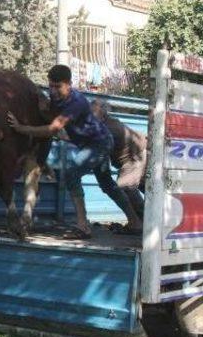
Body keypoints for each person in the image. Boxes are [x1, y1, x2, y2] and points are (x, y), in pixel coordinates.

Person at [7, 65, 142, 239]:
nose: (53, 91)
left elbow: (52, 128)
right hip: (91, 143)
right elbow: (52, 115)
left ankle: (82, 226)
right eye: (51, 86)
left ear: (69, 84)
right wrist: (43, 107)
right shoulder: (57, 99)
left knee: (71, 174)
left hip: (99, 144)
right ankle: (136, 222)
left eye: (58, 86)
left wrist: (21, 128)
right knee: (107, 185)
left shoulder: (76, 102)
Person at [90, 99, 147, 222]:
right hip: (137, 154)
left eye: (93, 111)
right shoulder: (103, 125)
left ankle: (144, 221)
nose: (90, 115)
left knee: (126, 186)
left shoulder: (109, 128)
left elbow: (99, 151)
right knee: (144, 187)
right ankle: (146, 221)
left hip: (136, 155)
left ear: (103, 114)